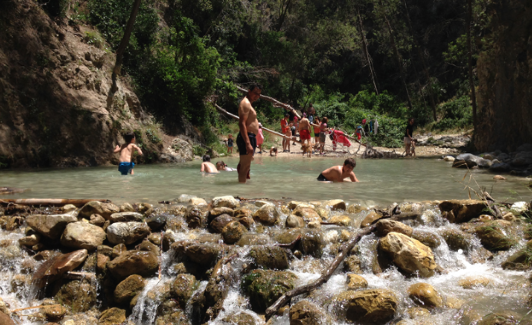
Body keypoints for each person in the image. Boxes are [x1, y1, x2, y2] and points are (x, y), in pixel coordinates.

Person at [237, 83, 261, 183]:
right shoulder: (245, 103)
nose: (257, 96)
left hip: (251, 137)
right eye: (255, 93)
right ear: (249, 91)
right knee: (245, 167)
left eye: (259, 94)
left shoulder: (249, 104)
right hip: (246, 137)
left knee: (246, 166)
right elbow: (242, 123)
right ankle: (240, 192)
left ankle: (243, 189)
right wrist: (247, 143)